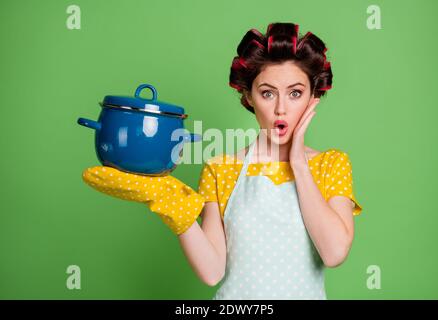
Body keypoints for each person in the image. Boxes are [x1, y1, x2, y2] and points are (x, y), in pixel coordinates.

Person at [82, 22, 363, 300]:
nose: (280, 108)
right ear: (248, 96)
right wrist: (171, 205)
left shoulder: (331, 165)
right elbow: (212, 271)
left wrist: (299, 163)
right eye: (267, 93)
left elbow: (334, 252)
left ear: (313, 97)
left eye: (295, 93)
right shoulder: (220, 169)